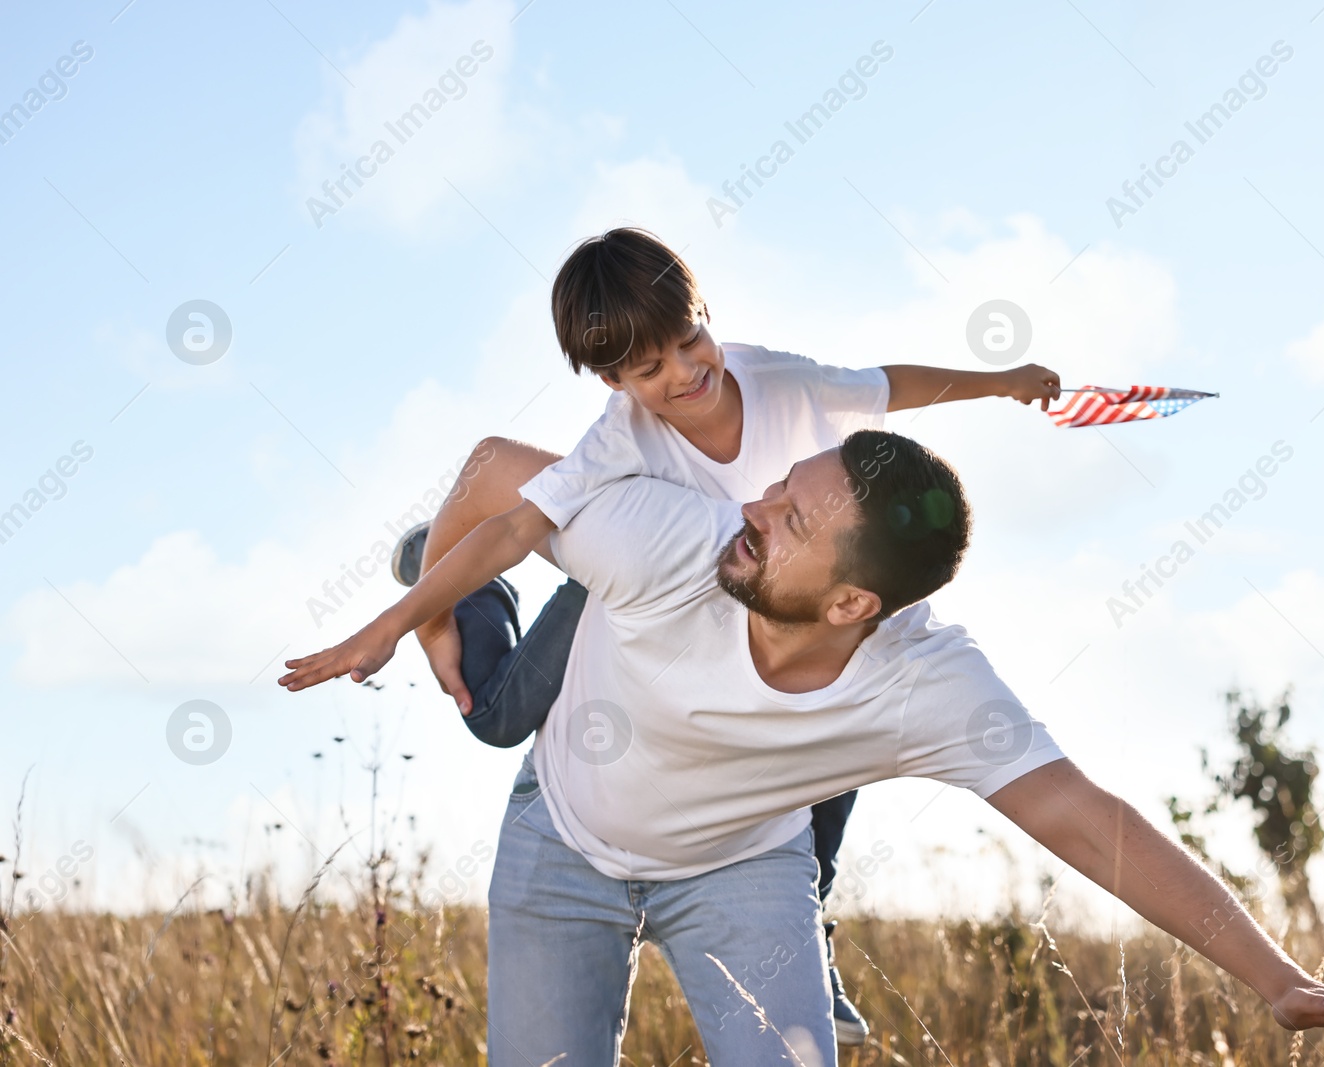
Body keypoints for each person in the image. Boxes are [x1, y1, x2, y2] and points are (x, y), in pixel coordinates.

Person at [280, 430, 1324, 1066]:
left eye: (789, 519)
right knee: (494, 688)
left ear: (856, 603)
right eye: (776, 490)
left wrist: (1279, 978)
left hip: (741, 870)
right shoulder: (672, 531)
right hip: (567, 836)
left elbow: (1084, 819)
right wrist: (425, 607)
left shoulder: (927, 683)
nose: (749, 511)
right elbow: (494, 468)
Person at [395, 226, 1063, 1042]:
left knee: (829, 713)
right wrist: (428, 606)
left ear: (705, 312)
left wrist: (1001, 382)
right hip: (628, 601)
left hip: (766, 608)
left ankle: (811, 925)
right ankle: (472, 593)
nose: (685, 372)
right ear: (615, 381)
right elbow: (515, 507)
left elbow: (890, 384)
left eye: (690, 340)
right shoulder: (620, 440)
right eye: (650, 369)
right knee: (498, 718)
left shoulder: (778, 380)